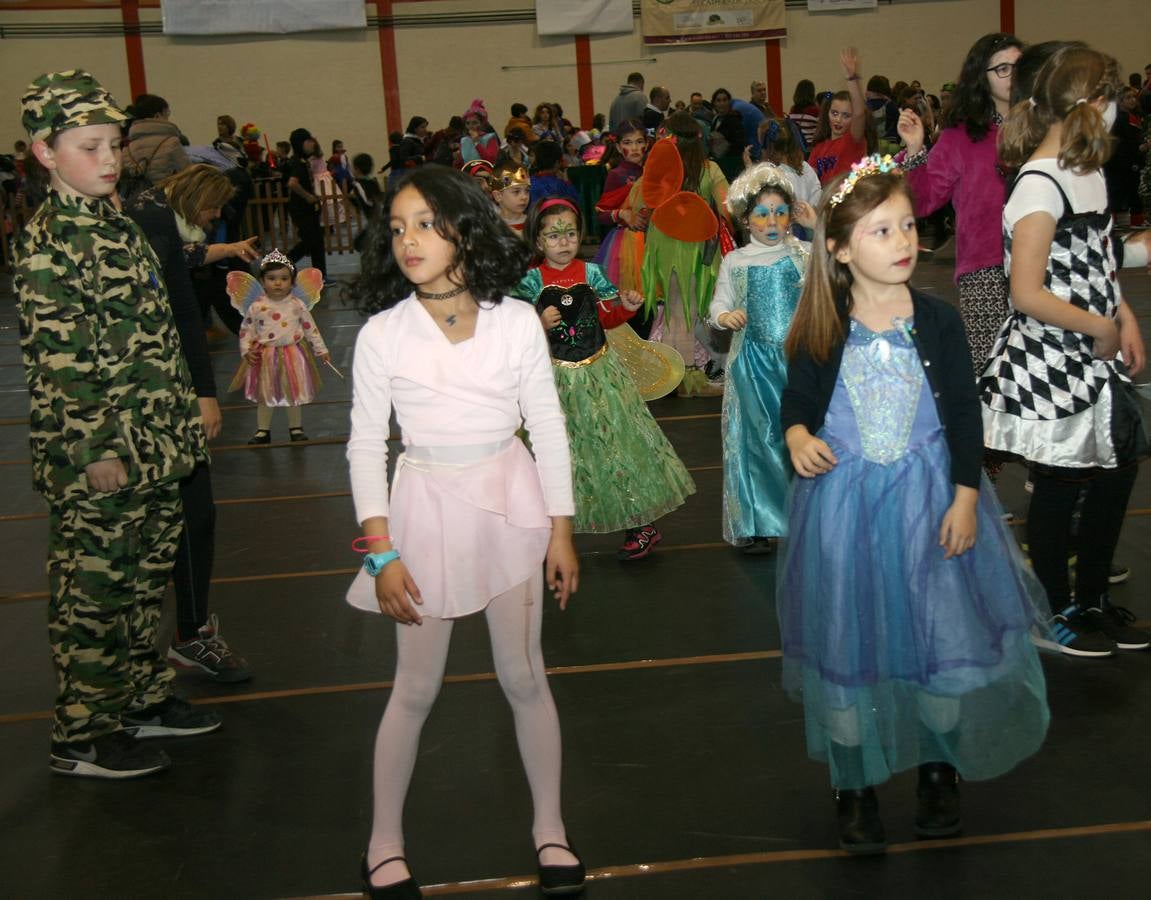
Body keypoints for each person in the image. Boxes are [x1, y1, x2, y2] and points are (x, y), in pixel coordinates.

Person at [778, 154, 1050, 854]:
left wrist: (965, 496)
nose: (902, 242)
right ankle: (853, 785)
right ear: (837, 248)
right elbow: (798, 400)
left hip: (930, 505)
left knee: (938, 642)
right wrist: (797, 433)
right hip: (845, 512)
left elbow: (962, 412)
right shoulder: (822, 321)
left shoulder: (933, 319)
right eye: (879, 231)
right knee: (846, 645)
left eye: (906, 225)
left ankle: (937, 768)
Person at [347, 166, 584, 898]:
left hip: (511, 509)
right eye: (397, 228)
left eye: (424, 223)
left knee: (523, 676)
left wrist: (560, 529)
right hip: (423, 514)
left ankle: (551, 829)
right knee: (414, 688)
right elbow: (364, 446)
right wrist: (382, 553)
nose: (409, 240)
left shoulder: (515, 319)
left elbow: (545, 425)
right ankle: (384, 841)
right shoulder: (383, 335)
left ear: (462, 229)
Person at [15, 70, 222, 779]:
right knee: (95, 592)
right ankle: (82, 734)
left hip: (155, 444)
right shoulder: (51, 242)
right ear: (45, 152)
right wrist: (98, 448)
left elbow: (156, 336)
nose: (109, 159)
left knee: (142, 580)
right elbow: (60, 361)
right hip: (102, 454)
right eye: (89, 145)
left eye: (114, 144)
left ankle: (138, 698)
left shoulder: (118, 224)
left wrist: (184, 415)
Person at [981, 46, 1149, 657]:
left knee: (1115, 472)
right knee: (1060, 482)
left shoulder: (1089, 173)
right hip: (1051, 360)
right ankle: (1048, 608)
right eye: (1112, 97)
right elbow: (1025, 292)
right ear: (1092, 104)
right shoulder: (1038, 185)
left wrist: (1122, 315)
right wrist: (1098, 327)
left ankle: (1093, 598)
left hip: (1092, 352)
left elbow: (1100, 260)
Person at [124, 163, 258, 682]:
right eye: (210, 211)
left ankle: (187, 628)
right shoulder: (153, 219)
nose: (211, 221)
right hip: (161, 395)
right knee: (188, 517)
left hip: (160, 391)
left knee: (190, 516)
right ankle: (187, 631)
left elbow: (179, 263)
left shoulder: (153, 218)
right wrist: (205, 392)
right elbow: (182, 304)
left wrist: (224, 251)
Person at [514, 197, 694, 559]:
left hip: (601, 375)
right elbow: (512, 330)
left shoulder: (591, 274)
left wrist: (625, 308)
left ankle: (639, 521)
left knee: (617, 445)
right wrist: (536, 322)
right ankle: (550, 526)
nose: (564, 241)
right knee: (562, 451)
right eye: (553, 235)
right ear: (537, 242)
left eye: (570, 233)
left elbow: (606, 319)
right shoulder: (530, 282)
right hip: (554, 380)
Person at [897, 33, 1024, 375]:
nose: (1012, 75)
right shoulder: (960, 136)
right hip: (985, 270)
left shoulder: (1042, 128)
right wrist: (914, 150)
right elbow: (922, 202)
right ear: (980, 78)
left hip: (1043, 262)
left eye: (1019, 66)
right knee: (991, 374)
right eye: (1002, 69)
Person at [709, 165, 813, 553]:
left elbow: (839, 266)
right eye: (762, 213)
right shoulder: (737, 261)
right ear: (746, 219)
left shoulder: (803, 254)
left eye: (780, 211)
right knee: (760, 439)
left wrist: (816, 226)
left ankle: (806, 514)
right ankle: (757, 521)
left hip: (799, 361)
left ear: (792, 214)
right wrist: (724, 315)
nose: (772, 221)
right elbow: (719, 302)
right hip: (753, 365)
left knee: (801, 436)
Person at [641, 112, 731, 395]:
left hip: (664, 246)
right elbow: (729, 206)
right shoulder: (710, 170)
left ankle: (672, 376)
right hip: (695, 246)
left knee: (674, 309)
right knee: (686, 312)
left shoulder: (662, 172)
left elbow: (643, 201)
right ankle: (687, 378)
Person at [232, 250, 330, 444]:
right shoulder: (257, 306)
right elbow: (246, 330)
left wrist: (321, 349)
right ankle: (262, 430)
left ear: (292, 282)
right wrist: (246, 350)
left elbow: (310, 328)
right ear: (262, 281)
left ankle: (296, 428)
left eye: (284, 278)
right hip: (265, 356)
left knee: (293, 392)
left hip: (292, 354)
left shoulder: (296, 305)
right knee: (265, 393)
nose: (278, 283)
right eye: (272, 278)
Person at [593, 120, 651, 309]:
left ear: (646, 144)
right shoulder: (617, 175)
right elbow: (600, 213)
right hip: (626, 246)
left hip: (653, 240)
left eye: (639, 141)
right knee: (626, 302)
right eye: (627, 143)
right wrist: (622, 215)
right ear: (618, 147)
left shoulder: (653, 172)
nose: (634, 148)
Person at [809, 49, 872, 185]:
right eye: (835, 113)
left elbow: (860, 113)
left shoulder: (853, 140)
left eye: (846, 116)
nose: (838, 120)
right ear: (827, 113)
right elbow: (810, 181)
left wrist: (851, 78)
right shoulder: (818, 148)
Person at [284, 127, 328, 280]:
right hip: (301, 210)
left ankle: (321, 275)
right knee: (310, 241)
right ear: (300, 143)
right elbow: (292, 183)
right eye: (308, 141)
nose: (312, 144)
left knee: (317, 242)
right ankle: (284, 262)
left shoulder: (304, 161)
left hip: (309, 209)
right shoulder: (297, 162)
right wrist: (308, 196)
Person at [750, 118, 822, 208]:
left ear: (767, 148)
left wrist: (750, 169)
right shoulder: (805, 167)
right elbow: (817, 197)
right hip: (810, 219)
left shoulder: (770, 175)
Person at [125, 93, 190, 186]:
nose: (168, 118)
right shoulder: (171, 142)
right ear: (157, 116)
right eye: (167, 114)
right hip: (166, 197)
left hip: (137, 198)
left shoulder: (128, 148)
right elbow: (188, 175)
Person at [710, 88, 747, 181]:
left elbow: (740, 144)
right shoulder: (715, 120)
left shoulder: (735, 120)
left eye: (724, 100)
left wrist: (724, 146)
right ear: (714, 103)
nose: (722, 103)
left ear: (729, 102)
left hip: (732, 165)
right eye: (718, 100)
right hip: (719, 163)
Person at [528, 140, 579, 207]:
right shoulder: (561, 185)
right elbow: (576, 203)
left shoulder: (528, 183)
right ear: (557, 163)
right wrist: (566, 181)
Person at [490, 159, 532, 233]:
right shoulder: (491, 227)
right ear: (498, 196)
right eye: (516, 191)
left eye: (527, 191)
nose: (524, 197)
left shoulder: (533, 224)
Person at [788, 79, 821, 150]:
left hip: (797, 146)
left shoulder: (793, 110)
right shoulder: (815, 111)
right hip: (811, 147)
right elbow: (820, 131)